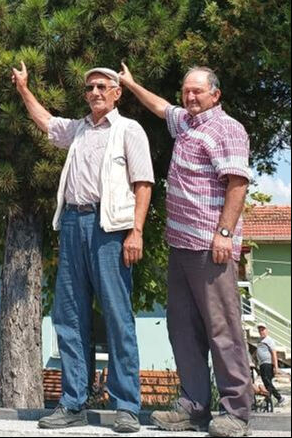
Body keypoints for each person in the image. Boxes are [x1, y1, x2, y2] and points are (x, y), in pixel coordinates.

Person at [12, 62, 154, 434]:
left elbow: (143, 184)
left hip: (110, 229)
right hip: (73, 224)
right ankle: (73, 402)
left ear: (117, 92)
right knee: (69, 315)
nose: (94, 93)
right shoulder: (77, 130)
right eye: (89, 87)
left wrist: (135, 232)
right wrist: (24, 88)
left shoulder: (129, 130)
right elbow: (45, 121)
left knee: (116, 315)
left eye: (102, 86)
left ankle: (126, 406)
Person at [119, 63, 253, 438]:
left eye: (198, 91)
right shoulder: (187, 123)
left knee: (222, 329)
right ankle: (193, 406)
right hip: (180, 246)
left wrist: (224, 233)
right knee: (183, 330)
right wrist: (131, 84)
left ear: (216, 94)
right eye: (186, 91)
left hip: (211, 248)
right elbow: (162, 108)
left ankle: (236, 412)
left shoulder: (227, 129)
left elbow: (238, 184)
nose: (190, 97)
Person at [256, 324, 286, 407]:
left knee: (267, 381)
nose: (261, 332)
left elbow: (274, 353)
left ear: (266, 330)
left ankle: (279, 398)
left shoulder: (269, 340)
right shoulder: (259, 340)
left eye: (263, 330)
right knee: (266, 383)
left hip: (267, 363)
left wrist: (275, 367)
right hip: (262, 364)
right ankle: (268, 401)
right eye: (259, 330)